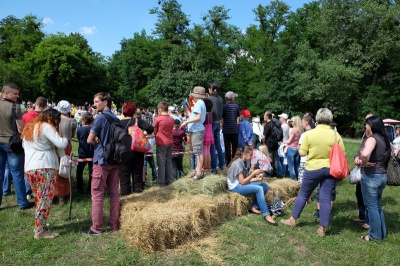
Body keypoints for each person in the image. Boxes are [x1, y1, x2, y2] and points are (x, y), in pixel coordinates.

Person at [281, 108, 345, 237]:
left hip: (313, 168)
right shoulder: (335, 135)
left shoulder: (309, 134)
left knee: (303, 194)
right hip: (331, 169)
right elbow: (342, 153)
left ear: (317, 119)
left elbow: (302, 152)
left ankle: (293, 219)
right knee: (326, 199)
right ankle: (322, 229)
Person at [22, 109, 68, 238]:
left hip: (30, 167)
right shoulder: (46, 126)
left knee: (39, 198)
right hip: (45, 167)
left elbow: (25, 147)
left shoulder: (30, 127)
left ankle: (41, 223)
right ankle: (40, 231)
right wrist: (64, 137)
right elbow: (61, 143)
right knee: (45, 199)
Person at [85, 92, 120, 235]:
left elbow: (89, 140)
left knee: (97, 194)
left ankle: (96, 228)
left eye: (97, 101)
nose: (94, 104)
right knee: (114, 194)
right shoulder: (116, 118)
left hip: (101, 159)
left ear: (105, 102)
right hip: (115, 160)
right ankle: (114, 225)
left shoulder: (100, 118)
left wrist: (96, 140)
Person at [0, 83, 33, 210]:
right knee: (17, 174)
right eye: (15, 93)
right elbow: (21, 128)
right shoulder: (15, 108)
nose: (17, 96)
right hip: (11, 144)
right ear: (6, 93)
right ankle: (22, 203)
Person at [357, 116, 390, 241]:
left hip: (371, 176)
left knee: (371, 207)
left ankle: (375, 236)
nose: (365, 126)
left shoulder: (372, 139)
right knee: (376, 205)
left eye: (366, 124)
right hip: (382, 176)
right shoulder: (385, 139)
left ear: (371, 125)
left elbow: (365, 154)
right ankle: (382, 233)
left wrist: (364, 163)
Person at [227, 146, 277, 226]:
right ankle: (266, 215)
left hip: (239, 183)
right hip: (235, 187)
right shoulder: (238, 164)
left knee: (264, 186)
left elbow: (244, 180)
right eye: (250, 155)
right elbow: (243, 182)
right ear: (245, 154)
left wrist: (256, 178)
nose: (252, 157)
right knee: (259, 189)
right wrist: (253, 174)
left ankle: (254, 206)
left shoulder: (242, 162)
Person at [120, 102, 154, 194]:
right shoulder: (137, 121)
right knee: (137, 176)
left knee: (124, 178)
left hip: (123, 152)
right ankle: (139, 197)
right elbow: (150, 128)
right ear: (134, 111)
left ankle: (125, 199)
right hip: (137, 152)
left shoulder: (118, 123)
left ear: (123, 112)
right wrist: (142, 134)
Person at [181, 86, 207, 180]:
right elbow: (191, 115)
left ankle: (199, 173)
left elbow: (198, 117)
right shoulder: (199, 103)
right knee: (197, 152)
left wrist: (186, 122)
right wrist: (185, 107)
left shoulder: (199, 103)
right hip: (196, 130)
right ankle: (197, 170)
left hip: (197, 130)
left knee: (198, 152)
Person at [54, 100, 76, 205]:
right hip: (67, 144)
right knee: (67, 167)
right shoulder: (72, 121)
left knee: (58, 169)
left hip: (56, 144)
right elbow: (72, 134)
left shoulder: (54, 119)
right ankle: (67, 193)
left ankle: (60, 195)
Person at [153, 101, 174, 186]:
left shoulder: (158, 119)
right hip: (170, 142)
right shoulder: (171, 119)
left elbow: (154, 131)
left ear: (159, 110)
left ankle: (161, 183)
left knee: (161, 163)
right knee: (168, 162)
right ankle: (168, 181)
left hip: (161, 143)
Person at [207, 83, 225, 172]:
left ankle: (213, 167)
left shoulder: (209, 99)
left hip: (212, 124)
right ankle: (222, 165)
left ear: (211, 89)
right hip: (218, 123)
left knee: (211, 146)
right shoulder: (220, 99)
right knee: (218, 145)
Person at [76, 112, 94, 194]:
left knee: (79, 171)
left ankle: (80, 188)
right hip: (92, 152)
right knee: (91, 171)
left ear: (83, 120)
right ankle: (90, 188)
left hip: (83, 152)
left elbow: (79, 139)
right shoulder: (94, 129)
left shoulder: (80, 130)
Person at [222, 91, 240, 166]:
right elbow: (238, 118)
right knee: (235, 147)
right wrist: (237, 126)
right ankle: (234, 162)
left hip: (226, 129)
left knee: (227, 147)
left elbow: (222, 118)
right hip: (234, 129)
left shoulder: (224, 106)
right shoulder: (236, 106)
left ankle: (228, 162)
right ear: (232, 98)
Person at [262, 111, 279, 177]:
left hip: (269, 144)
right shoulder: (275, 124)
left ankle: (270, 173)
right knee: (275, 159)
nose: (263, 116)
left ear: (267, 116)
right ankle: (276, 173)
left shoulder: (267, 124)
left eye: (264, 115)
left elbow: (264, 136)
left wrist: (263, 143)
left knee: (270, 158)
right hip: (275, 143)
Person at [202, 98, 214, 171]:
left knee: (204, 152)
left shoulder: (204, 116)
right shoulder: (210, 115)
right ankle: (208, 167)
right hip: (209, 135)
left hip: (204, 135)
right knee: (208, 152)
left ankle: (204, 167)